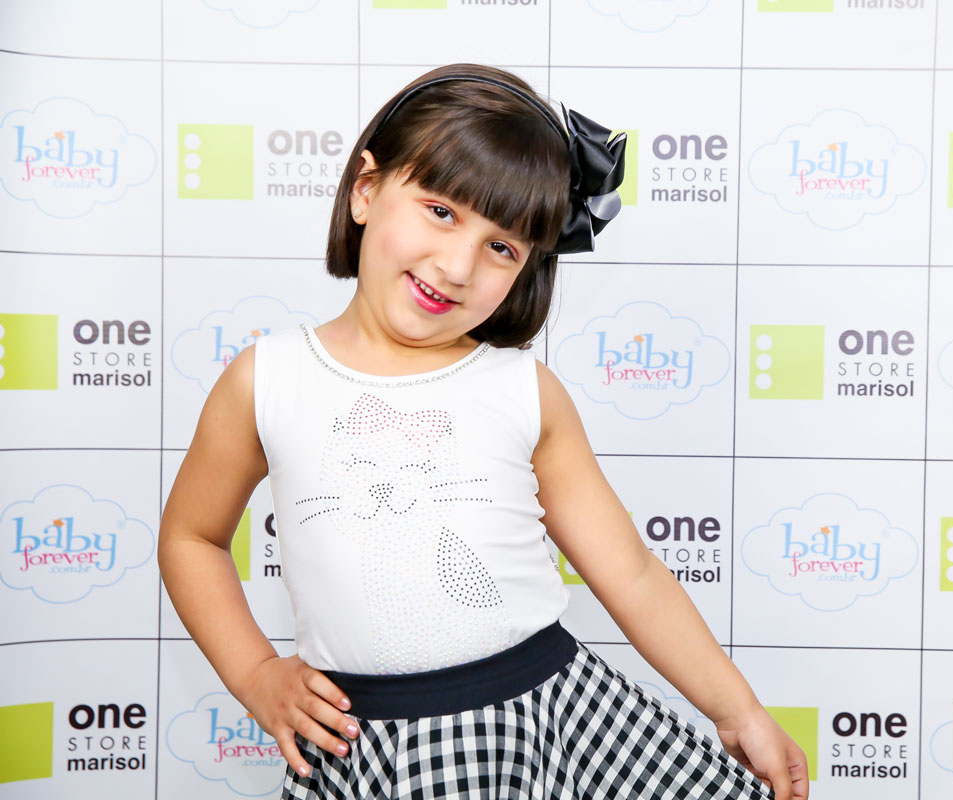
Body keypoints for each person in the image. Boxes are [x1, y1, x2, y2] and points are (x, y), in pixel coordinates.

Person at [158, 63, 809, 800]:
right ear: (366, 190)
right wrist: (254, 674)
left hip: (547, 721)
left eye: (502, 247)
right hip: (357, 737)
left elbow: (631, 574)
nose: (458, 264)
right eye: (441, 211)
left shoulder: (524, 390)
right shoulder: (267, 377)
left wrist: (738, 710)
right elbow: (192, 538)